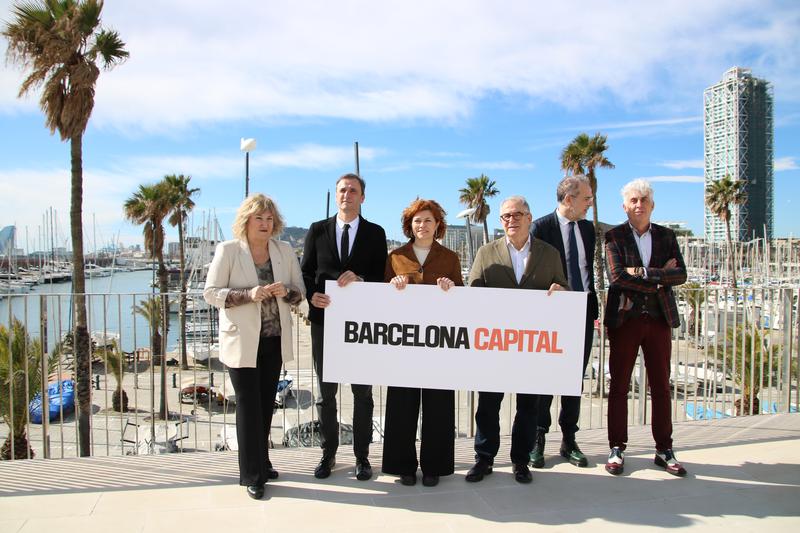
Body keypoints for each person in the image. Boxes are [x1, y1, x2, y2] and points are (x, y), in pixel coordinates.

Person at [203, 194, 305, 500]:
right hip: (241, 341)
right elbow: (210, 292)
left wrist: (286, 290)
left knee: (264, 405)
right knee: (248, 406)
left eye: (269, 218)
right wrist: (249, 294)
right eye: (258, 218)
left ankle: (262, 461)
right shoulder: (229, 250)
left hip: (273, 339)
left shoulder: (284, 250)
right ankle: (252, 475)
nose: (264, 224)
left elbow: (300, 292)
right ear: (246, 220)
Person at [466, 196, 568, 484]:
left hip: (532, 347)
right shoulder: (487, 252)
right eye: (506, 216)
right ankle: (484, 459)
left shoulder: (549, 253)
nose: (511, 220)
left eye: (517, 215)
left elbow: (564, 287)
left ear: (529, 217)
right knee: (488, 405)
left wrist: (560, 291)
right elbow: (472, 291)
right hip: (494, 344)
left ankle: (520, 461)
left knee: (528, 407)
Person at [301, 173, 388, 481]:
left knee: (363, 393)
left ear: (362, 198)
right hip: (325, 323)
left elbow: (383, 277)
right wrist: (313, 295)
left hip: (361, 327)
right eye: (342, 190)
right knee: (326, 395)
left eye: (353, 190)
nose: (346, 195)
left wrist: (362, 280)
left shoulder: (376, 233)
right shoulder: (317, 230)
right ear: (335, 195)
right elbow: (306, 273)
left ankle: (363, 457)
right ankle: (328, 454)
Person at [603, 179, 688, 477]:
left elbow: (680, 275)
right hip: (625, 321)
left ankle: (664, 449)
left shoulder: (666, 236)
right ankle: (616, 447)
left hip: (659, 321)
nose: (639, 204)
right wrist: (658, 277)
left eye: (644, 200)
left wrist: (640, 272)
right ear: (625, 206)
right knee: (619, 387)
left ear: (652, 205)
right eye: (634, 200)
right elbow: (616, 277)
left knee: (662, 387)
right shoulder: (613, 236)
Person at [381, 198, 463, 487]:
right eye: (417, 220)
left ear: (437, 224)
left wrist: (451, 289)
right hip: (404, 344)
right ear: (409, 225)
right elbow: (381, 301)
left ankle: (434, 467)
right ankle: (403, 465)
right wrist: (392, 287)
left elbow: (462, 299)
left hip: (439, 344)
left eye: (428, 220)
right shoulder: (395, 257)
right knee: (402, 405)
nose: (422, 225)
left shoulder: (450, 258)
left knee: (439, 406)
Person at [530, 175, 598, 468]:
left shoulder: (587, 228)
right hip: (552, 315)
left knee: (574, 380)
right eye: (586, 198)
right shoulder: (541, 228)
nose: (590, 203)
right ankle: (538, 437)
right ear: (569, 199)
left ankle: (569, 439)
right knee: (545, 378)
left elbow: (586, 269)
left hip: (583, 311)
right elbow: (532, 271)